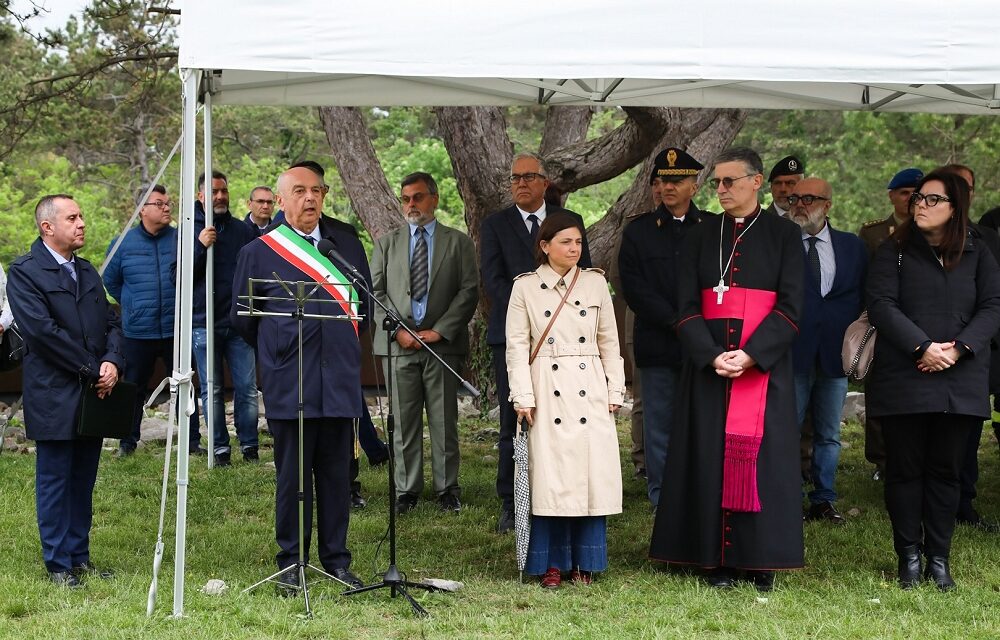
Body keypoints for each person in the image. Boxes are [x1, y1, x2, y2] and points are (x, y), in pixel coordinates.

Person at [648, 147, 804, 592]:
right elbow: (685, 308)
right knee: (709, 459)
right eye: (717, 183)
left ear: (756, 182)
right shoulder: (699, 235)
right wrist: (712, 354)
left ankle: (759, 559)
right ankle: (714, 559)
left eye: (729, 181)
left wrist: (752, 354)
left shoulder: (783, 236)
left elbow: (792, 308)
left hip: (763, 369)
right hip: (709, 368)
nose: (720, 190)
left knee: (763, 462)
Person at [232, 165, 371, 592]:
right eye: (299, 191)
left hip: (339, 380)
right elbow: (243, 320)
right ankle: (291, 562)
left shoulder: (342, 245)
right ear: (281, 200)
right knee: (293, 478)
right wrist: (280, 351)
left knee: (335, 475)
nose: (309, 198)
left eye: (316, 190)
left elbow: (360, 308)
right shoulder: (258, 251)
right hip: (290, 380)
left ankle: (336, 559)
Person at [866, 170, 1000, 590]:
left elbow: (993, 306)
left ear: (955, 208)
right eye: (918, 198)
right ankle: (908, 556)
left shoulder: (980, 250)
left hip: (960, 378)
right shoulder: (895, 249)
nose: (920, 205)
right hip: (904, 375)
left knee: (947, 472)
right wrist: (923, 347)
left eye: (932, 199)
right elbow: (882, 305)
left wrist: (957, 349)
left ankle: (938, 559)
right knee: (904, 470)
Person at [7, 194, 124, 587]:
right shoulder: (24, 272)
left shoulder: (87, 271)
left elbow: (110, 321)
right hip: (55, 393)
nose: (81, 223)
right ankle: (58, 564)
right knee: (56, 479)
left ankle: (79, 556)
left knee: (83, 478)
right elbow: (43, 334)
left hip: (94, 392)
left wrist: (113, 361)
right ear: (47, 227)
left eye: (82, 215)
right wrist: (93, 369)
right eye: (72, 217)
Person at [505, 212, 624, 588]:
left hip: (590, 386)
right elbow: (516, 346)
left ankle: (585, 562)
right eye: (565, 242)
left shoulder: (594, 283)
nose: (574, 249)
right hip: (545, 390)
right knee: (550, 479)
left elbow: (609, 340)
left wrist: (615, 388)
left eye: (578, 242)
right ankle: (550, 563)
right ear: (544, 246)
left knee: (589, 478)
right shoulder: (524, 287)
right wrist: (522, 395)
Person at [479, 152, 592, 534]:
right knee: (514, 420)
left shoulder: (568, 222)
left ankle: (559, 497)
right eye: (515, 178)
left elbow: (582, 274)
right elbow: (493, 280)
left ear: (546, 182)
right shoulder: (495, 225)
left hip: (565, 341)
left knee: (564, 420)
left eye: (529, 176)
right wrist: (530, 311)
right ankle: (512, 503)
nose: (521, 183)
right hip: (513, 336)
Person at [371, 171, 479, 514]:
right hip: (399, 344)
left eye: (417, 197)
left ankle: (448, 488)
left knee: (444, 419)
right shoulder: (386, 243)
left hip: (441, 345)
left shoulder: (458, 242)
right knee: (403, 421)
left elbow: (468, 290)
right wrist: (398, 330)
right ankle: (407, 490)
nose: (411, 205)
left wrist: (440, 330)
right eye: (405, 198)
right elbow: (375, 293)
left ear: (433, 198)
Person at [618, 146, 709, 507]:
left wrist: (696, 326)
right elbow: (633, 286)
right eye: (663, 180)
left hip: (702, 344)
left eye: (677, 180)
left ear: (694, 186)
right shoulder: (639, 231)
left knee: (701, 420)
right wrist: (675, 320)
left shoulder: (712, 229)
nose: (668, 187)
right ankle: (662, 496)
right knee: (657, 424)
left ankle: (698, 492)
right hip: (658, 340)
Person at [103, 184, 203, 457]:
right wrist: (132, 304)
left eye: (168, 202)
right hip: (137, 331)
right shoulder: (123, 242)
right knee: (133, 387)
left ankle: (192, 441)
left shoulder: (181, 238)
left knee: (185, 385)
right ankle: (127, 442)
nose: (167, 207)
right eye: (159, 203)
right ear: (142, 210)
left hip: (176, 328)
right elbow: (110, 280)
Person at [788, 178, 867, 524]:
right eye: (795, 198)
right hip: (791, 352)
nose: (800, 204)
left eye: (809, 198)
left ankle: (823, 499)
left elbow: (863, 295)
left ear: (827, 205)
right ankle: (787, 496)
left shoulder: (852, 246)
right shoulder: (782, 244)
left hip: (835, 354)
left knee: (829, 434)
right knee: (786, 428)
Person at [857, 166, 924, 480]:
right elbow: (864, 279)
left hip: (923, 324)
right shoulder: (873, 232)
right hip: (882, 322)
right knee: (880, 392)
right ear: (892, 196)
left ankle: (919, 456)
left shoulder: (935, 230)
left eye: (916, 193)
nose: (911, 199)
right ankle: (881, 460)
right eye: (904, 193)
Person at [194, 170, 260, 466]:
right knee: (212, 389)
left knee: (246, 387)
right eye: (213, 192)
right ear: (200, 196)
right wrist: (200, 246)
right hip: (203, 322)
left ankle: (249, 445)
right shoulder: (188, 230)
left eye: (223, 191)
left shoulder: (241, 231)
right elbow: (176, 277)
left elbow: (256, 272)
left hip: (238, 323)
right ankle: (219, 448)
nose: (219, 197)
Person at [608, 168, 663, 480]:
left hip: (683, 323)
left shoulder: (698, 225)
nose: (659, 189)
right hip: (640, 319)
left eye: (666, 182)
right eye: (655, 183)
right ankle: (642, 460)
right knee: (642, 394)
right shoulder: (635, 225)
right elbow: (619, 276)